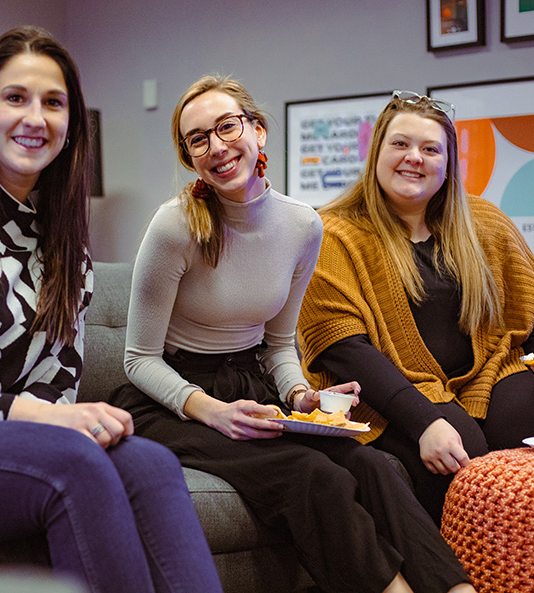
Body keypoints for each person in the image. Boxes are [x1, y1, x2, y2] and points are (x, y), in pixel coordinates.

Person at [0, 26, 223, 593]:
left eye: (53, 102)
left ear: (71, 127)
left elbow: (57, 386)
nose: (34, 117)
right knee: (75, 465)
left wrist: (51, 417)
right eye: (15, 97)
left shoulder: (66, 250)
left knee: (152, 463)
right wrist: (34, 418)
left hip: (3, 446)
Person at [109, 75, 474, 593]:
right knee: (314, 475)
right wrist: (214, 411)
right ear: (189, 157)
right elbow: (138, 360)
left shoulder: (303, 225)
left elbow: (279, 345)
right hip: (173, 402)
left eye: (227, 127)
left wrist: (302, 395)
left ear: (257, 132)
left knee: (376, 466)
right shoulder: (175, 227)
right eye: (197, 139)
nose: (216, 146)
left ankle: (459, 590)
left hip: (253, 390)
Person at [298, 90, 534, 526]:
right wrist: (425, 422)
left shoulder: (483, 222)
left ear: (448, 166)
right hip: (393, 390)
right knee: (464, 458)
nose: (415, 158)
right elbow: (341, 348)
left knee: (525, 445)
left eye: (431, 149)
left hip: (486, 373)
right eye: (400, 144)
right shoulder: (332, 233)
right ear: (376, 155)